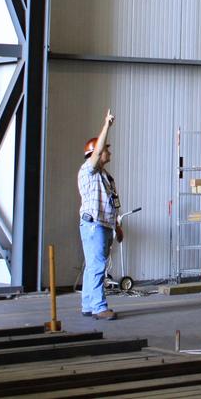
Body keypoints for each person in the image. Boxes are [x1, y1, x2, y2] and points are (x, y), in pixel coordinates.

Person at [78, 109, 120, 320]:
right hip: (94, 225)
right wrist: (107, 125)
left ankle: (88, 303)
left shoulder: (106, 176)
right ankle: (99, 307)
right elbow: (97, 151)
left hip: (103, 225)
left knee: (92, 265)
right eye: (106, 150)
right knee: (97, 266)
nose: (109, 152)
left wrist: (117, 226)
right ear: (97, 152)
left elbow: (112, 202)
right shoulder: (89, 170)